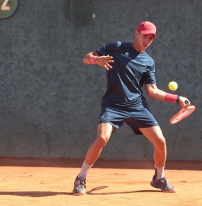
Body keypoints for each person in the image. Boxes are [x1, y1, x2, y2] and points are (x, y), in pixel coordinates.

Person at [73, 21, 191, 195]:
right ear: (136, 33)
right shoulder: (115, 48)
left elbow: (152, 91)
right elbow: (86, 57)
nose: (147, 40)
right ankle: (81, 178)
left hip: (137, 107)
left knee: (160, 141)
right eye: (145, 36)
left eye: (151, 38)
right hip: (113, 105)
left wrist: (178, 98)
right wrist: (95, 60)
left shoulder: (148, 62)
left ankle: (159, 178)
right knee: (102, 138)